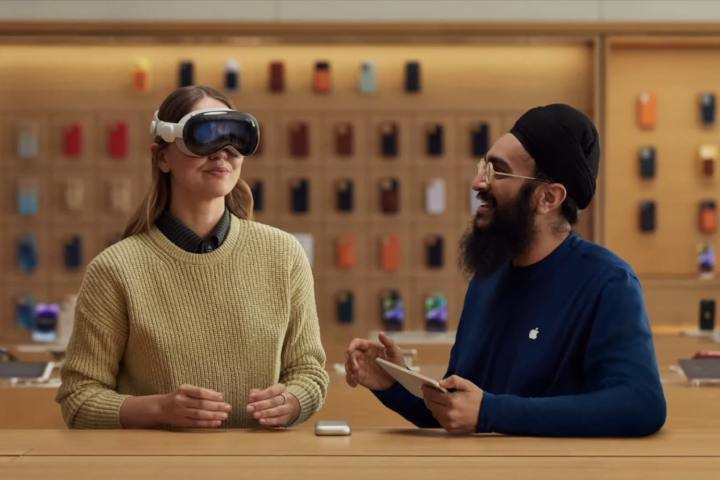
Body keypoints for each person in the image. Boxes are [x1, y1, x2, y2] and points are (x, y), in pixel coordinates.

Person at [345, 104, 666, 437]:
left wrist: (490, 412)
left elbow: (640, 404)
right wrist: (394, 381)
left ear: (548, 198)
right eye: (483, 167)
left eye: (497, 171)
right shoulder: (488, 278)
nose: (477, 183)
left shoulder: (608, 282)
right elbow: (461, 408)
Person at [57, 85, 328, 429]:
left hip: (261, 466)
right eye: (205, 137)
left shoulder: (284, 254)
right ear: (162, 157)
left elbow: (309, 372)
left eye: (235, 139)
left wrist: (292, 401)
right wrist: (159, 410)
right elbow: (79, 399)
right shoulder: (115, 269)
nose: (223, 154)